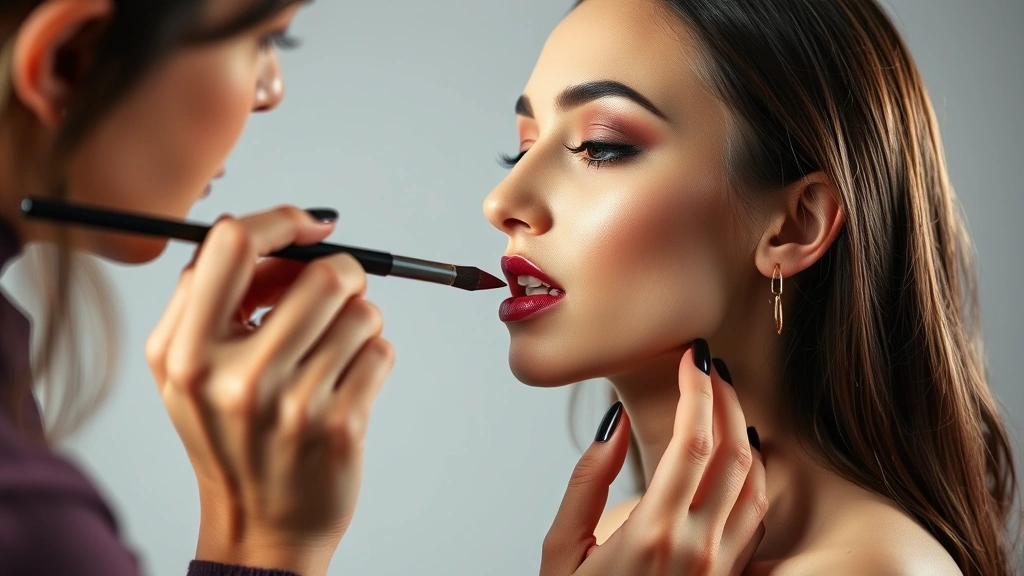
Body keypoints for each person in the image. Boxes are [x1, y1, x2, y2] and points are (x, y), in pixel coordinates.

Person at [485, 0, 1018, 574]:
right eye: (523, 147)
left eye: (601, 145)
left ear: (795, 225)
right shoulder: (619, 544)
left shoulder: (873, 567)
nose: (502, 202)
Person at [0, 1, 396, 574]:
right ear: (70, 60)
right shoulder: (32, 529)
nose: (271, 90)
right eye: (267, 39)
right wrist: (263, 543)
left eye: (581, 148)